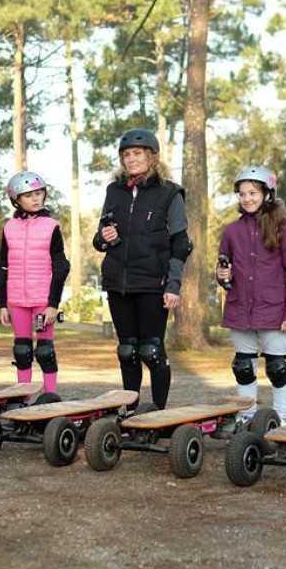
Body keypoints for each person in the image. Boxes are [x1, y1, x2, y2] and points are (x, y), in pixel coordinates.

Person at [93, 128, 192, 409]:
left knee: (151, 351)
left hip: (152, 283)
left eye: (137, 154)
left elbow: (180, 243)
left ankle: (159, 411)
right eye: (126, 155)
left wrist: (173, 285)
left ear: (152, 157)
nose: (131, 159)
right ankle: (130, 409)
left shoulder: (169, 193)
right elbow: (101, 237)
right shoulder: (114, 191)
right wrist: (103, 237)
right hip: (118, 282)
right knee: (127, 351)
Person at [216, 165, 286, 426]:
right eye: (242, 194)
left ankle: (283, 420)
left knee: (277, 368)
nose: (247, 198)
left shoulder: (283, 229)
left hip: (274, 310)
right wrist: (223, 276)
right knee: (243, 367)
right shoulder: (231, 232)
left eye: (253, 192)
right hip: (240, 308)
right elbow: (224, 271)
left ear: (267, 194)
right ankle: (246, 418)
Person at [0, 171, 70, 395]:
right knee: (22, 350)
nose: (36, 198)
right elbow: (3, 266)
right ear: (16, 200)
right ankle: (24, 396)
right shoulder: (9, 228)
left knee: (44, 351)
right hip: (16, 299)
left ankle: (50, 396)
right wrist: (2, 303)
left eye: (39, 193)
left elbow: (61, 267)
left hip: (42, 299)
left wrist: (53, 304)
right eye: (29, 195)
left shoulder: (51, 226)